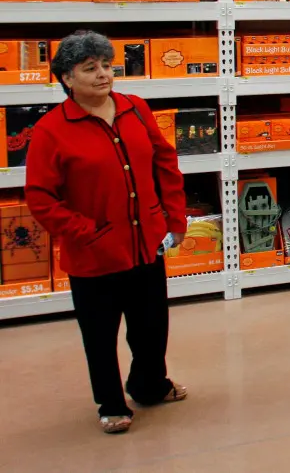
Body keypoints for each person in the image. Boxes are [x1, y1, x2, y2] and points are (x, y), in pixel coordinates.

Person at [24, 31, 188, 434]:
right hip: (93, 255)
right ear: (66, 78)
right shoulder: (50, 130)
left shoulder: (135, 109)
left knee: (151, 328)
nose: (103, 75)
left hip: (146, 243)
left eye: (106, 65)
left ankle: (150, 385)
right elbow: (40, 197)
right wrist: (86, 232)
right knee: (100, 335)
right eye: (89, 68)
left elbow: (164, 161)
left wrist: (173, 218)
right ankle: (111, 403)